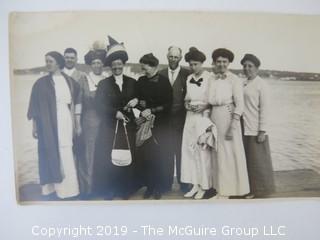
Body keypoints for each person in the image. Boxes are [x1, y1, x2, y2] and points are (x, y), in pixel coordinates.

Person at [27, 51, 81, 199]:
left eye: (50, 61)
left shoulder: (70, 81)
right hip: (47, 123)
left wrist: (77, 124)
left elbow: (77, 102)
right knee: (49, 152)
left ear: (58, 63)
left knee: (65, 151)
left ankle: (69, 190)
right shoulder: (40, 83)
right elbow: (35, 107)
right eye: (46, 61)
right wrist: (34, 126)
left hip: (65, 121)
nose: (47, 64)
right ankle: (51, 189)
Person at [95, 36, 137, 200]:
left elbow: (140, 102)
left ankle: (125, 189)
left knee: (126, 156)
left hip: (128, 127)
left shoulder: (132, 82)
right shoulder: (104, 84)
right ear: (110, 66)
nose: (117, 67)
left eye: (119, 64)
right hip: (110, 127)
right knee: (110, 158)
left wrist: (136, 101)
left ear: (123, 65)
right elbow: (99, 105)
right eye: (114, 65)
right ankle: (110, 190)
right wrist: (115, 113)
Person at [208, 48, 250, 199]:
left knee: (228, 156)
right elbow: (208, 100)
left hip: (228, 117)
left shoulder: (234, 80)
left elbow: (240, 105)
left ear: (229, 62)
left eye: (224, 62)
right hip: (214, 116)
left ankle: (228, 191)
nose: (221, 64)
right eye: (218, 61)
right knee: (216, 154)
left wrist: (233, 126)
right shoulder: (211, 78)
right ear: (214, 62)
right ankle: (219, 189)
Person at [135, 53, 173, 200]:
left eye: (146, 67)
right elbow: (138, 100)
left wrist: (152, 110)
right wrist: (140, 105)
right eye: (143, 68)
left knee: (159, 156)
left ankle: (158, 187)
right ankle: (149, 187)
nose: (144, 70)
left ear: (154, 66)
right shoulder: (141, 80)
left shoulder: (164, 82)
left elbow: (168, 105)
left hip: (160, 125)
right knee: (147, 156)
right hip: (145, 124)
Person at [180, 47, 215, 200]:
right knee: (190, 150)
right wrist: (187, 104)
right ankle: (194, 184)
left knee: (202, 151)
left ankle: (204, 186)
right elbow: (187, 98)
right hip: (190, 117)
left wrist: (204, 106)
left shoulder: (210, 78)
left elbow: (213, 100)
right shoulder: (189, 78)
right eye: (191, 64)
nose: (193, 67)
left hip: (203, 117)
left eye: (196, 64)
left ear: (202, 63)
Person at [240, 53, 275, 198]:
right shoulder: (243, 83)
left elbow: (265, 109)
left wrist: (262, 130)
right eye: (245, 66)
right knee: (246, 160)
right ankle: (247, 188)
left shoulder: (261, 85)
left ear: (257, 68)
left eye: (250, 66)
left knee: (258, 161)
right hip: (243, 127)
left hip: (255, 129)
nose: (247, 69)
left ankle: (260, 190)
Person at [77, 45, 108, 199]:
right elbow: (78, 103)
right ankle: (89, 188)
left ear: (103, 64)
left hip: (106, 121)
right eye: (94, 62)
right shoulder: (84, 79)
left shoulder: (106, 79)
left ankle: (103, 186)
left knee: (103, 153)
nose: (97, 65)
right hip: (89, 120)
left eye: (100, 62)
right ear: (90, 64)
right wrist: (77, 123)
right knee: (90, 153)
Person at [158, 46, 190, 193]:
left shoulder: (187, 74)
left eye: (176, 57)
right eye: (171, 56)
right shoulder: (161, 74)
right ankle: (166, 183)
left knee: (181, 152)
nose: (173, 59)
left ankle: (184, 184)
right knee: (167, 152)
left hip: (182, 120)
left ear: (180, 58)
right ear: (167, 56)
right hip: (165, 121)